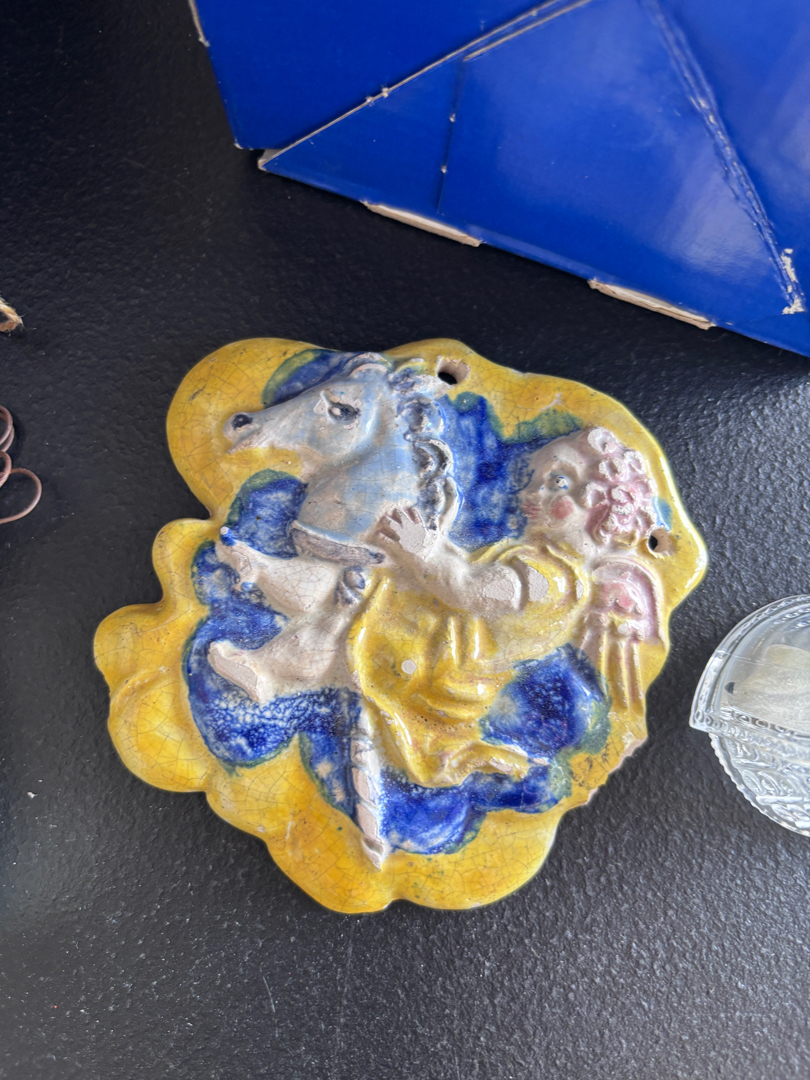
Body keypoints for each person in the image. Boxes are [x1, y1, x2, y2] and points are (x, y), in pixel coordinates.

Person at [349, 426, 665, 788]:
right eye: (534, 480)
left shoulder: (548, 578)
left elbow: (466, 590)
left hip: (426, 669)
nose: (532, 493)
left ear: (599, 508)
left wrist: (420, 550)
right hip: (438, 656)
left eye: (557, 483)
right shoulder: (550, 568)